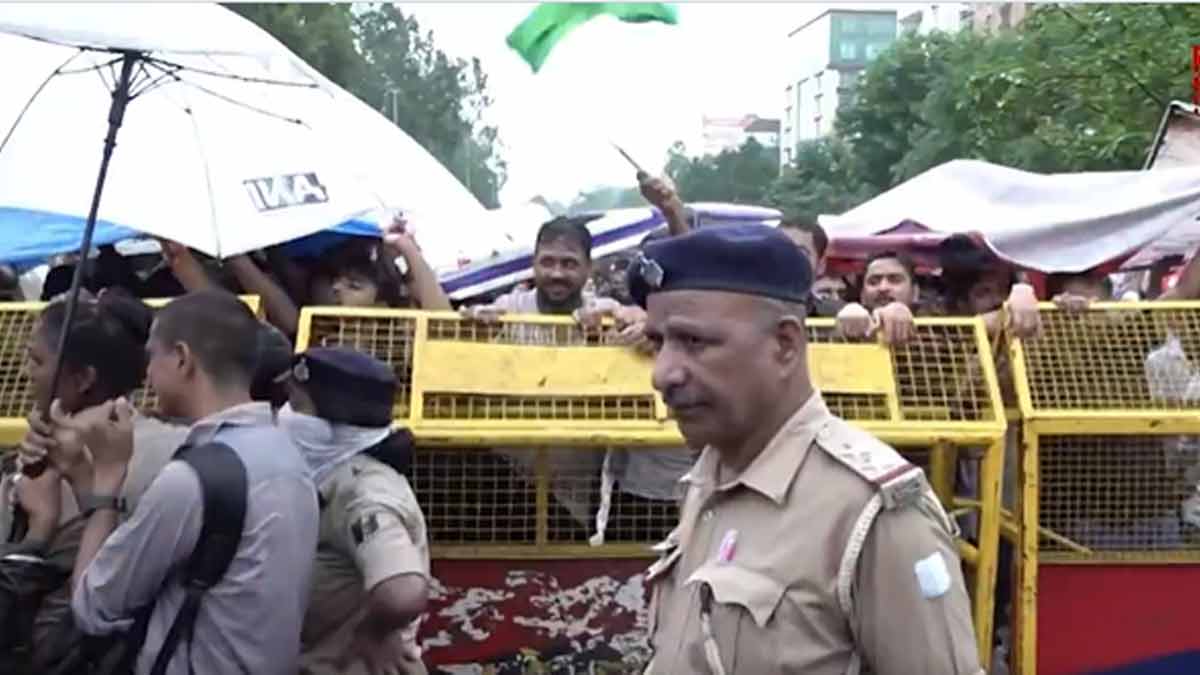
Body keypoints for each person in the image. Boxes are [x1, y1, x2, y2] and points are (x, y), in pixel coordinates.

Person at [630, 224, 982, 674]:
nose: (662, 374)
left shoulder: (870, 512)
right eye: (658, 342)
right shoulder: (709, 477)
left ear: (785, 345)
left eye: (694, 342)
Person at [31, 290, 319, 674]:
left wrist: (108, 475)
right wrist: (83, 474)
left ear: (182, 359)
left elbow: (93, 606)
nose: (147, 375)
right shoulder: (288, 455)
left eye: (152, 356)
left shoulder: (191, 479)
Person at [0, 289, 191, 671]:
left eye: (37, 360)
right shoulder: (184, 447)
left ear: (84, 378)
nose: (26, 373)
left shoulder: (51, 467)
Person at [275, 348, 431, 675]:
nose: (285, 415)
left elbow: (402, 592)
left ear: (330, 425)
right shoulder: (327, 476)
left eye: (297, 405)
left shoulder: (365, 494)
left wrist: (373, 634)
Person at [777, 219, 846, 317]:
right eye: (781, 250)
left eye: (800, 253)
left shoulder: (838, 316)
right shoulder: (755, 312)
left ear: (821, 264)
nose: (788, 260)